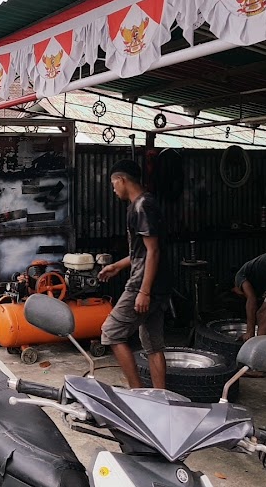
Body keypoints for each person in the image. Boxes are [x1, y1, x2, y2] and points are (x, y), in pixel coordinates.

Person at [98, 159, 170, 389]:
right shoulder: (143, 204)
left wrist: (143, 292)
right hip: (159, 285)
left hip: (144, 284)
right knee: (153, 345)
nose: (113, 188)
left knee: (111, 332)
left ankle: (137, 391)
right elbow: (142, 252)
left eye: (113, 183)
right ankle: (161, 397)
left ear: (122, 179)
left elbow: (154, 251)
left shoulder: (142, 206)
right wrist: (118, 266)